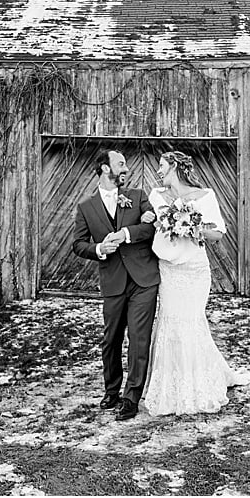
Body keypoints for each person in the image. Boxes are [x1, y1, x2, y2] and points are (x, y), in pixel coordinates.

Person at [140, 150, 250, 416]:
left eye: (162, 166)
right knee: (170, 320)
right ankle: (171, 387)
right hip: (169, 269)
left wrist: (192, 227)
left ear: (176, 168)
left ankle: (199, 384)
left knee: (192, 321)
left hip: (194, 271)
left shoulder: (206, 196)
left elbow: (218, 233)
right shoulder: (156, 197)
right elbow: (149, 224)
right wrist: (150, 219)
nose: (158, 171)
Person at [72, 149, 159, 421]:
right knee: (110, 340)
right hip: (113, 282)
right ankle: (112, 390)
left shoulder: (138, 196)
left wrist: (126, 234)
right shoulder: (86, 207)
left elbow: (152, 226)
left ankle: (131, 397)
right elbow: (77, 244)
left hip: (143, 281)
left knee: (138, 339)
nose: (126, 169)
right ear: (104, 168)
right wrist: (99, 248)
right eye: (120, 164)